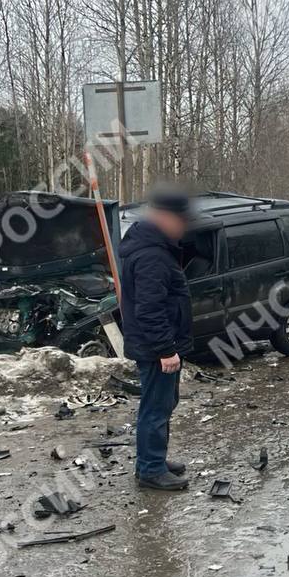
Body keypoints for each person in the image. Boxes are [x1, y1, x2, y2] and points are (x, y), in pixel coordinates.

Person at [119, 188, 193, 491]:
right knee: (156, 407)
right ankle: (151, 469)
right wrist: (165, 349)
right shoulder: (152, 255)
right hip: (156, 349)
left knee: (161, 403)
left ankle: (153, 461)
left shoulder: (151, 247)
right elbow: (149, 309)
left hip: (154, 345)